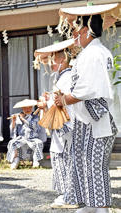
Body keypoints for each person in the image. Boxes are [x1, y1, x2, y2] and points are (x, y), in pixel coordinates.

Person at [55, 4, 120, 213]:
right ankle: (92, 205)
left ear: (86, 31)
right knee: (85, 162)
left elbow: (86, 89)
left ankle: (101, 207)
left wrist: (64, 99)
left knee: (95, 163)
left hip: (98, 117)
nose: (74, 36)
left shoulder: (94, 53)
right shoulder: (93, 52)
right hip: (91, 118)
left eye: (76, 32)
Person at [34, 39, 80, 209]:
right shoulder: (64, 76)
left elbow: (62, 101)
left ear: (62, 60)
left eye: (53, 60)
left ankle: (69, 196)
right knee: (62, 157)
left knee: (64, 158)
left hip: (66, 124)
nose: (51, 64)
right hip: (64, 124)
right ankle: (67, 194)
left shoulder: (67, 77)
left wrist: (45, 104)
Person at [6, 99, 46, 169]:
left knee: (38, 143)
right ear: (22, 108)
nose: (27, 109)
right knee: (12, 142)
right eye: (25, 108)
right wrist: (14, 121)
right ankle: (15, 160)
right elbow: (13, 129)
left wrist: (23, 119)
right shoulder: (19, 116)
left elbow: (34, 127)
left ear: (32, 108)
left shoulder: (35, 116)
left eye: (29, 107)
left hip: (32, 137)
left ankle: (36, 161)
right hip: (22, 137)